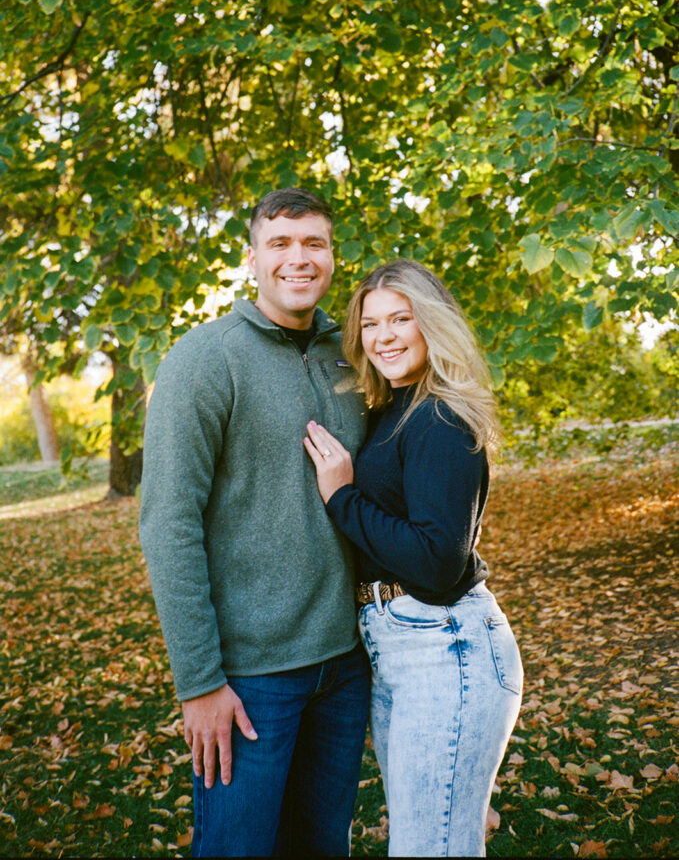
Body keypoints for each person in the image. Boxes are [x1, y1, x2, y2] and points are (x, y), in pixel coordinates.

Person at [139, 188, 371, 857]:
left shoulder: (351, 354)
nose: (297, 258)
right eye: (280, 243)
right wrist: (201, 682)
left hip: (342, 667)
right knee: (238, 848)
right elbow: (167, 522)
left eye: (313, 243)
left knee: (323, 846)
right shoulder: (204, 360)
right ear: (251, 260)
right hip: (248, 680)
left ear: (331, 256)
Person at [304, 259, 522, 858]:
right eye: (371, 324)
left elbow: (435, 563)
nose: (385, 337)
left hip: (445, 647)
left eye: (401, 318)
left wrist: (342, 497)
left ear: (432, 324)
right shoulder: (393, 408)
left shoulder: (440, 416)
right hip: (400, 647)